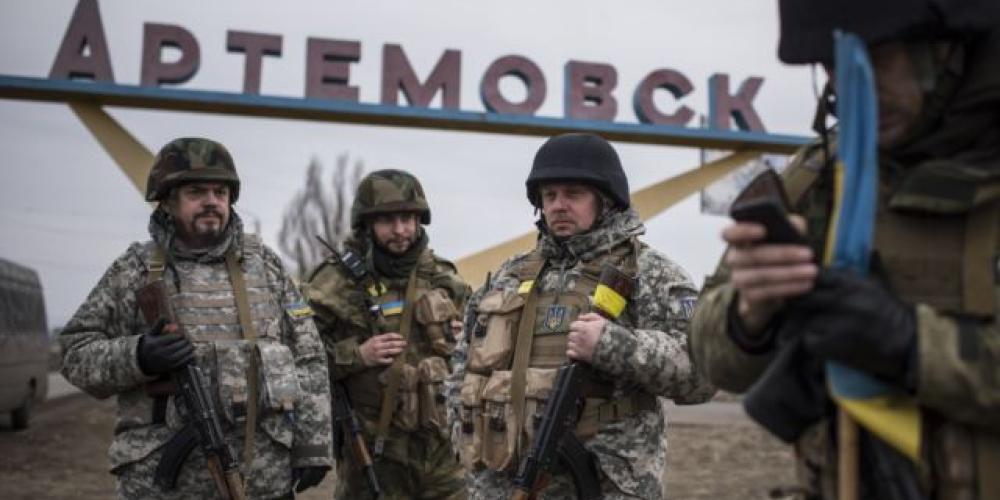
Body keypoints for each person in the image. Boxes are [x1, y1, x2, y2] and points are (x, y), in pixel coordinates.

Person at [690, 1, 1000, 498]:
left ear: (946, 48)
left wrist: (913, 344)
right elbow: (709, 355)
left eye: (879, 57)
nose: (857, 84)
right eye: (834, 65)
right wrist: (750, 313)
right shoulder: (821, 179)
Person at [59, 138, 333, 499]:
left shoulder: (265, 266)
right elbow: (74, 352)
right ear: (168, 201)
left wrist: (314, 444)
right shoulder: (134, 270)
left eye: (221, 192)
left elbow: (308, 356)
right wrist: (138, 355)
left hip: (263, 479)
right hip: (161, 486)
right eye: (196, 192)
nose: (211, 201)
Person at [447, 133, 716, 500]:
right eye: (550, 195)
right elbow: (462, 369)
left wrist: (614, 346)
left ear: (606, 199)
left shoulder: (650, 273)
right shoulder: (509, 276)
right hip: (504, 483)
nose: (559, 205)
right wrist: (464, 439)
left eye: (573, 194)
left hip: (604, 484)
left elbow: (703, 375)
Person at [305, 169, 471, 500]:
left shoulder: (444, 278)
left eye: (407, 219)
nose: (400, 230)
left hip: (441, 452)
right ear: (366, 224)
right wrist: (357, 355)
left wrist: (464, 340)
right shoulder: (331, 285)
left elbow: (479, 355)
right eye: (387, 220)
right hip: (372, 455)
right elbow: (301, 363)